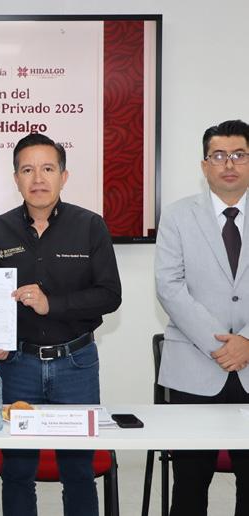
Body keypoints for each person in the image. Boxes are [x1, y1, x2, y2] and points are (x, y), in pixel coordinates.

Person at [0, 133, 121, 516]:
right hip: (17, 367)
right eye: (27, 170)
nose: (38, 178)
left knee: (79, 472)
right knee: (17, 472)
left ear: (63, 176)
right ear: (16, 178)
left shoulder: (91, 226)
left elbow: (110, 295)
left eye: (47, 168)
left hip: (76, 365)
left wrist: (50, 304)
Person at [155, 119, 249, 515]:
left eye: (239, 154)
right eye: (218, 155)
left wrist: (247, 342)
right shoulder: (177, 216)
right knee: (190, 487)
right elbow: (169, 286)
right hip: (194, 367)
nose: (229, 164)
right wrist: (222, 346)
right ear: (204, 164)